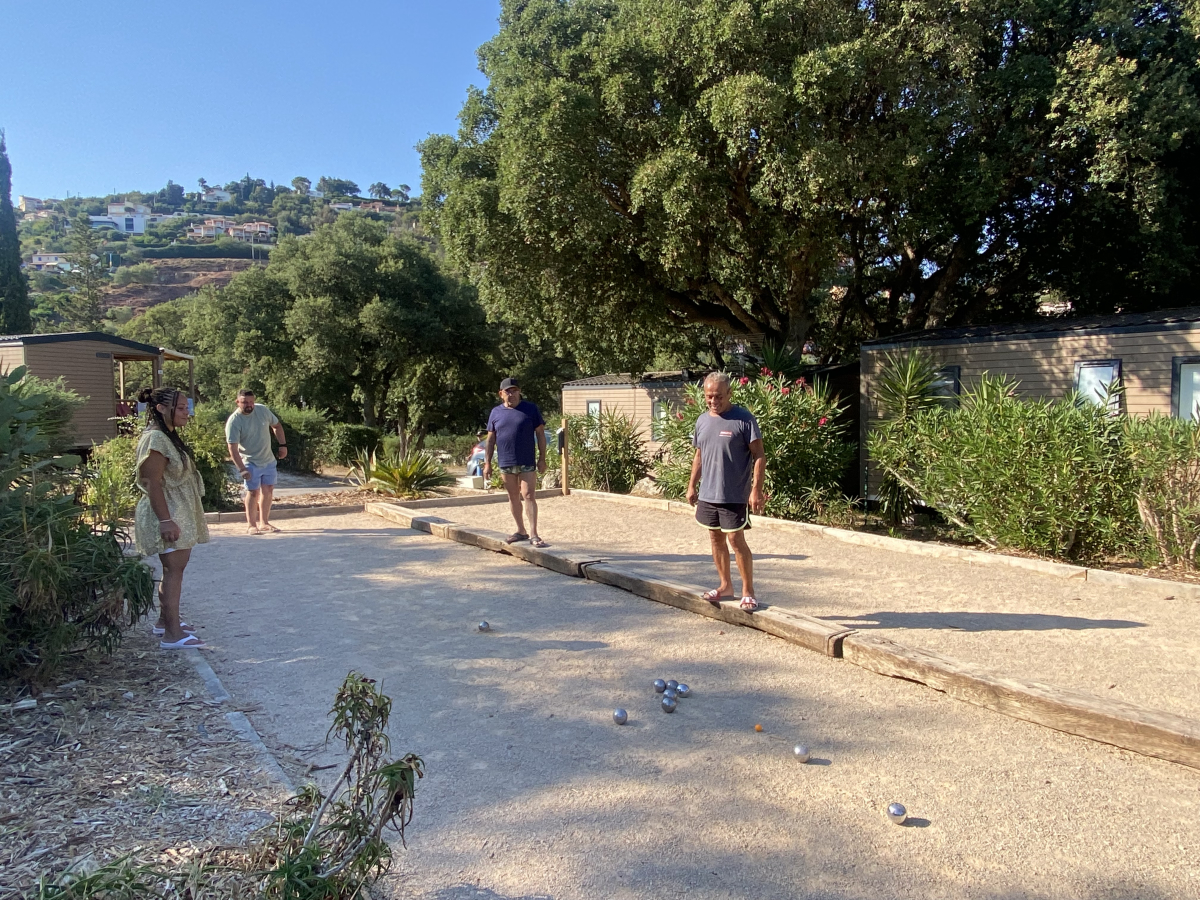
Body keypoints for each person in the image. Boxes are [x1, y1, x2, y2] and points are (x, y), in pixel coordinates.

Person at [134, 387, 210, 649]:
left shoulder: (167, 436)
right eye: (180, 408)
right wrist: (165, 520)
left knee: (173, 569)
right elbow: (151, 482)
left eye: (186, 408)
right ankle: (173, 634)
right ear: (160, 409)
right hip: (168, 511)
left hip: (178, 509)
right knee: (173, 570)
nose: (186, 413)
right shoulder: (156, 439)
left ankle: (164, 622)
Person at [686, 371, 767, 612]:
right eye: (709, 396)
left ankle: (748, 592)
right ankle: (725, 586)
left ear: (729, 393)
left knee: (735, 539)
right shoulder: (702, 421)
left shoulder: (743, 419)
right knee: (715, 538)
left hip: (733, 494)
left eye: (719, 396)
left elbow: (759, 455)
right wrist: (692, 485)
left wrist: (756, 490)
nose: (714, 401)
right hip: (708, 494)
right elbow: (699, 454)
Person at [483, 377, 548, 547]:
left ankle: (534, 533)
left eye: (515, 390)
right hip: (506, 461)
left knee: (528, 495)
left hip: (527, 460)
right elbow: (490, 440)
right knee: (513, 496)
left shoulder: (530, 409)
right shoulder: (495, 413)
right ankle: (521, 530)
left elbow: (540, 434)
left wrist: (542, 458)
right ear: (501, 394)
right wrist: (487, 463)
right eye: (508, 391)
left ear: (519, 392)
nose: (511, 394)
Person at [225, 389, 288, 534]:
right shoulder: (234, 421)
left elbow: (276, 426)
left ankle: (264, 523)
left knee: (268, 489)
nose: (249, 405)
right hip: (250, 461)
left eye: (251, 402)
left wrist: (283, 445)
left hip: (268, 459)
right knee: (253, 492)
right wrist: (241, 468)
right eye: (245, 402)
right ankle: (251, 525)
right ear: (237, 402)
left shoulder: (262, 410)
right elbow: (232, 448)